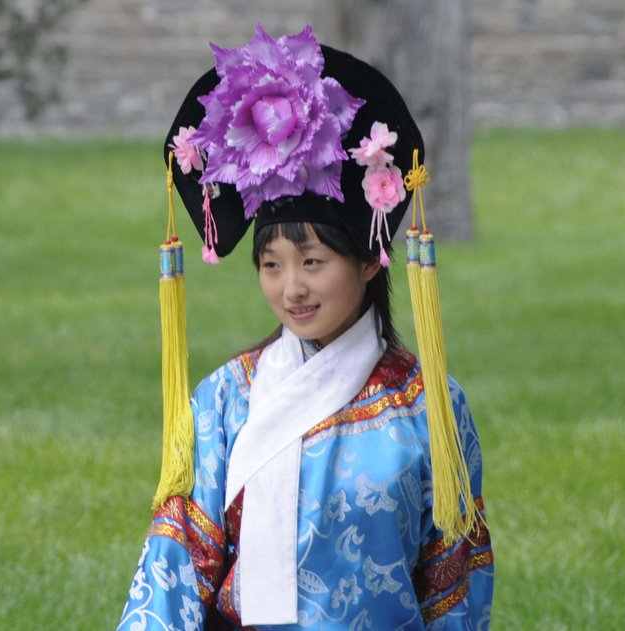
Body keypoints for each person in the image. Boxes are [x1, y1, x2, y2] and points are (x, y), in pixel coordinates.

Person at [119, 24, 493, 630]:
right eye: (271, 265)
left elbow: (454, 581)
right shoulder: (225, 400)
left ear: (370, 260)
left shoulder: (429, 408)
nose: (291, 287)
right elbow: (176, 565)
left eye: (313, 262)